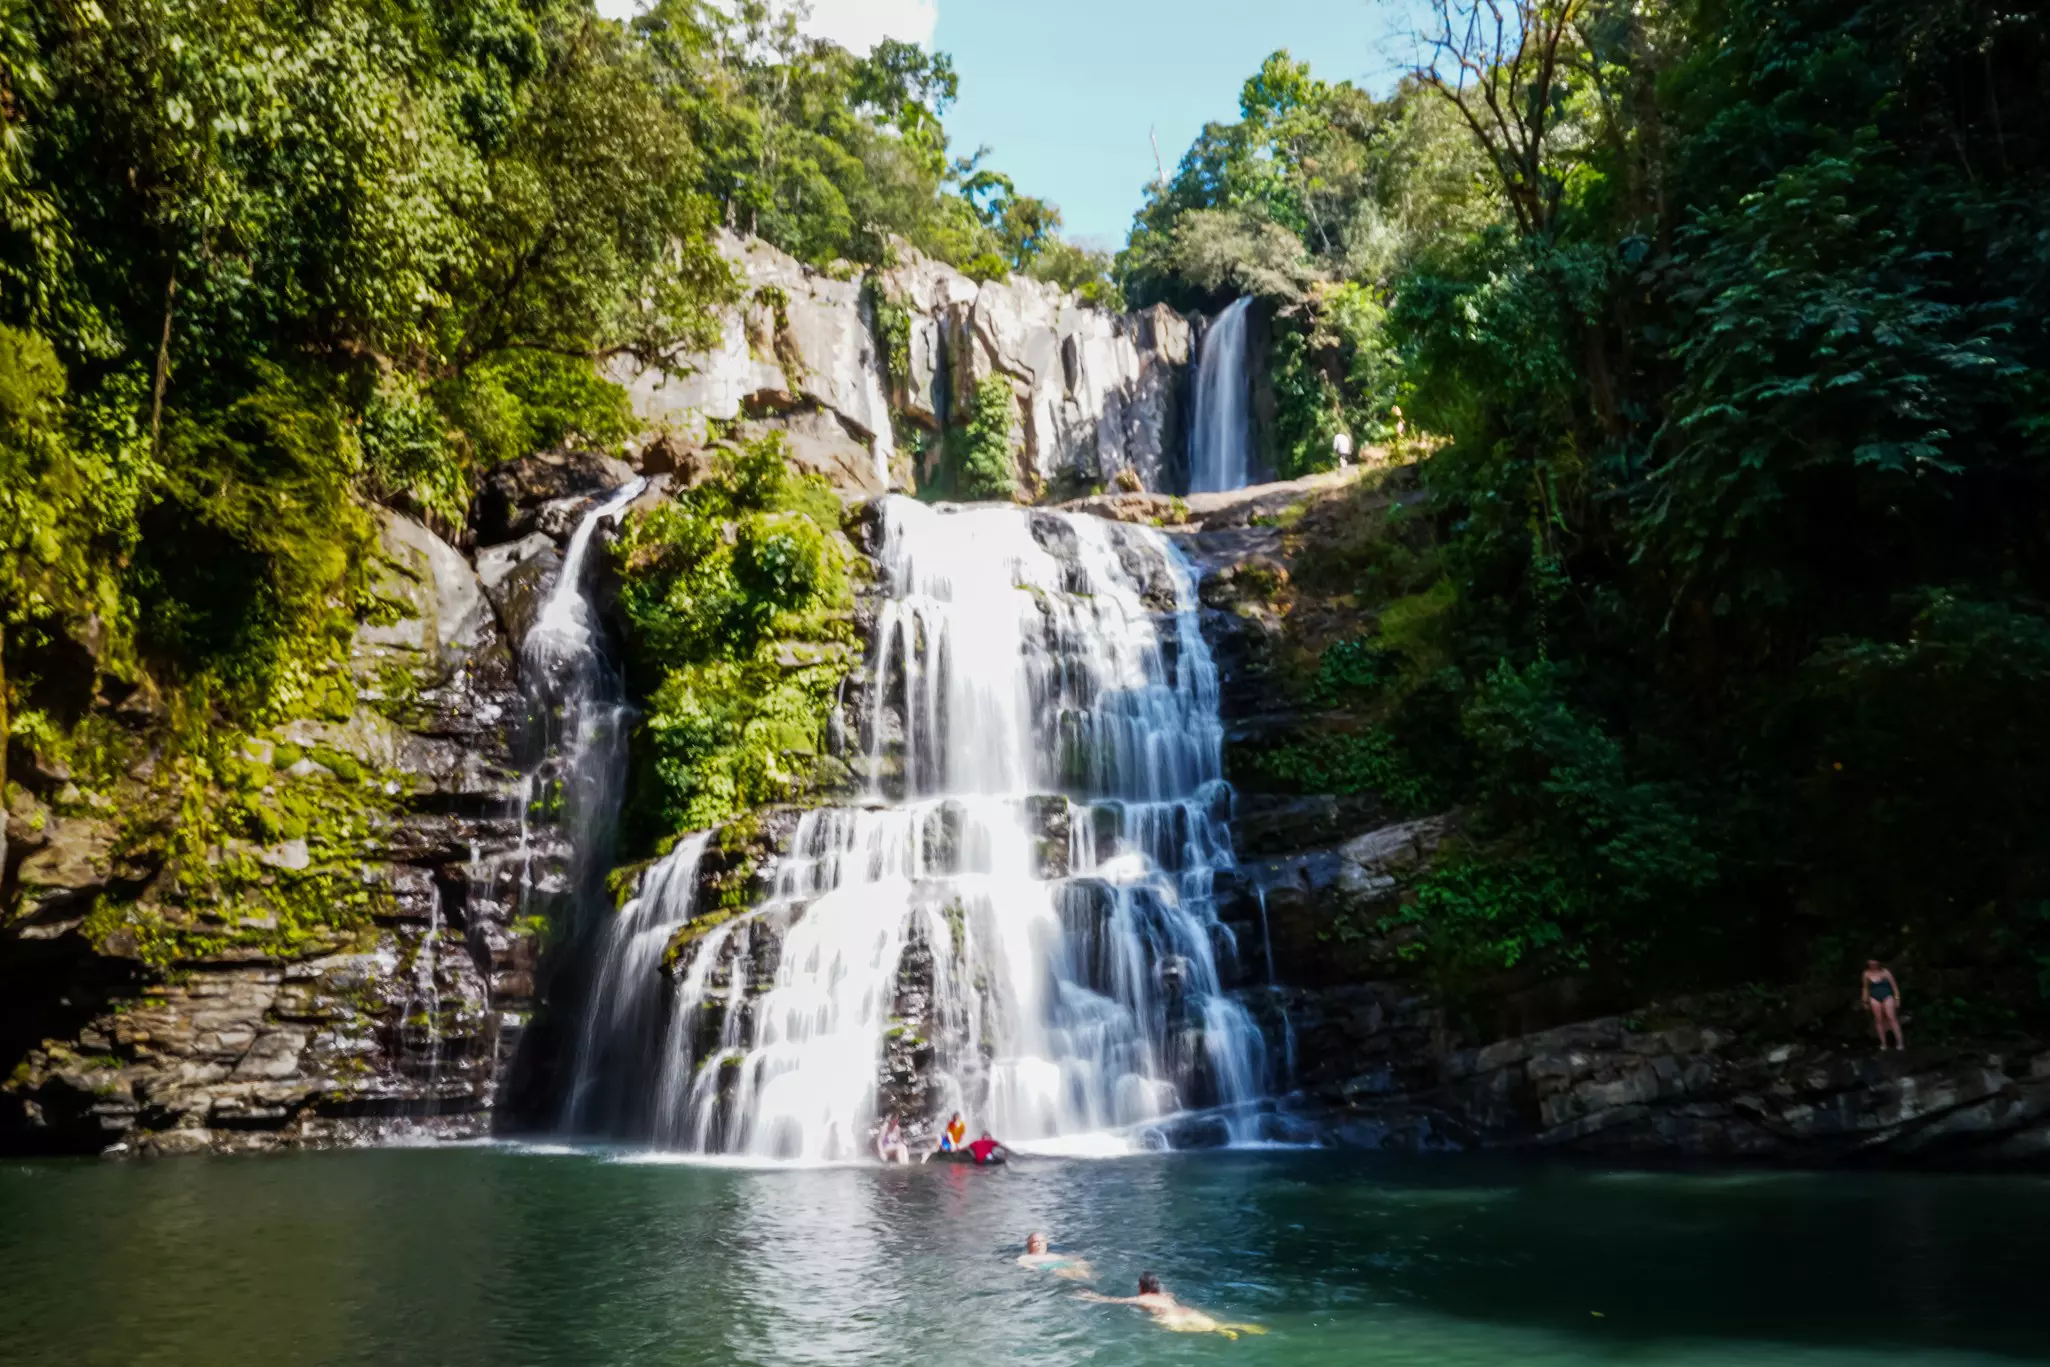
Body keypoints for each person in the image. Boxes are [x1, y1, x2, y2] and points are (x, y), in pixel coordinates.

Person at [1077, 1272, 1266, 1339]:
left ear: (1140, 1286)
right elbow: (1170, 1295)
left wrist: (1091, 1296)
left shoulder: (1142, 1299)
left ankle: (1227, 1333)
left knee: (1202, 1331)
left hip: (1169, 1317)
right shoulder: (1166, 1295)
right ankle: (1240, 1327)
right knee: (1214, 1324)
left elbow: (1114, 1300)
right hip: (1184, 1310)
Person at [1862, 959, 1905, 1050]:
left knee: (1891, 1017)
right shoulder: (1866, 974)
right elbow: (1865, 988)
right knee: (1878, 1019)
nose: (1873, 964)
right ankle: (1883, 1044)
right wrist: (1864, 1001)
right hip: (1874, 996)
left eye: (1875, 962)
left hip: (1887, 995)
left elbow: (1894, 987)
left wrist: (1897, 999)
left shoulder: (1886, 972)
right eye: (1871, 962)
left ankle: (1900, 1042)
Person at [1016, 1232, 1093, 1281]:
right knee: (1061, 1270)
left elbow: (1068, 1259)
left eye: (1042, 1241)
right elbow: (1023, 1265)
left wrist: (1079, 1262)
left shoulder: (1052, 1255)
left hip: (1060, 1266)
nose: (1040, 1244)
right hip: (1048, 1270)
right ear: (1029, 1245)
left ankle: (1091, 1284)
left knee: (1080, 1268)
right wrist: (1042, 1269)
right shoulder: (1025, 1257)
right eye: (1036, 1242)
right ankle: (1083, 1287)